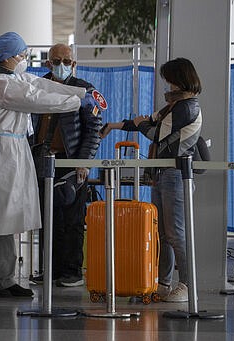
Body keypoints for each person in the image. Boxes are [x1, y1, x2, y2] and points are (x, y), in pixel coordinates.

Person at [0, 32, 86, 298]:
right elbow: (35, 99)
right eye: (21, 54)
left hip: (14, 149)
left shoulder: (13, 77)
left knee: (11, 217)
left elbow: (42, 86)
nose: (25, 58)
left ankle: (6, 277)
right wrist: (77, 102)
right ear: (8, 57)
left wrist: (81, 91)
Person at [99, 57, 202, 302]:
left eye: (170, 80)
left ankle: (187, 284)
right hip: (163, 173)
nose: (167, 85)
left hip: (175, 174)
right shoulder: (173, 106)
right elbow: (148, 122)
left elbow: (156, 133)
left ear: (180, 79)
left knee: (176, 233)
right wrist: (114, 126)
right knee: (164, 235)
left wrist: (141, 123)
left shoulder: (186, 107)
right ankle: (164, 283)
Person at [30, 43, 103, 288]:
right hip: (43, 159)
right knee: (47, 218)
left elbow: (94, 130)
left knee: (72, 218)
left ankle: (72, 271)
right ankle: (50, 270)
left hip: (72, 161)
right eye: (57, 60)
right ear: (48, 63)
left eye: (67, 61)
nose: (62, 65)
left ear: (74, 63)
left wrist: (84, 162)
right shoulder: (38, 86)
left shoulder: (85, 90)